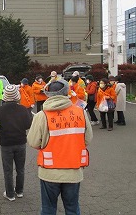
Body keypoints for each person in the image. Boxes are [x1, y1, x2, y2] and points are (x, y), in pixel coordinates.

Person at [27, 79, 93, 215]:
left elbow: (33, 142)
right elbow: (88, 139)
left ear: (48, 94)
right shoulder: (80, 112)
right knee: (72, 208)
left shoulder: (41, 115)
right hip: (73, 171)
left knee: (48, 208)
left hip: (49, 172)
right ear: (66, 93)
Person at [0, 84, 32, 201]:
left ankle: (10, 194)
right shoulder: (23, 109)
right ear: (17, 96)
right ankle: (19, 191)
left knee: (8, 170)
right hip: (20, 142)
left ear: (5, 96)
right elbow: (28, 124)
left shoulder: (0, 110)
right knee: (20, 169)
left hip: (6, 143)